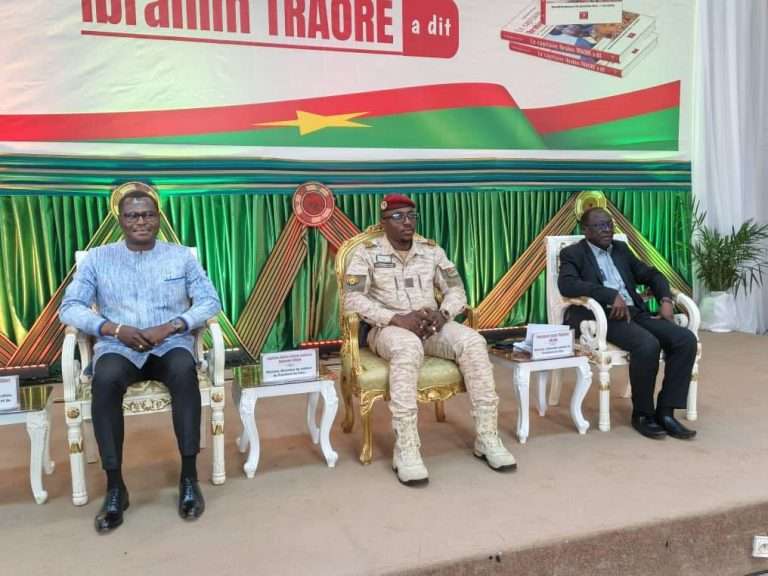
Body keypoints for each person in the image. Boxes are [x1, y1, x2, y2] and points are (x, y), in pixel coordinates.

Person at [59, 183, 222, 533]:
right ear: (120, 219)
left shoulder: (181, 257)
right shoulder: (97, 259)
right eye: (132, 216)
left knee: (184, 371)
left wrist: (174, 325)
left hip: (169, 344)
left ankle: (189, 478)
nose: (141, 221)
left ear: (158, 218)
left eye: (148, 215)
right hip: (118, 347)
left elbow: (210, 301)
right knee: (104, 380)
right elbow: (69, 307)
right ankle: (115, 487)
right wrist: (112, 329)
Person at [343, 194, 517, 486]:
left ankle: (487, 436)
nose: (407, 222)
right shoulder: (366, 252)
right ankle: (406, 447)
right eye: (398, 217)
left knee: (473, 342)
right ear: (383, 222)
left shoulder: (431, 251)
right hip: (388, 329)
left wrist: (443, 313)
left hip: (431, 325)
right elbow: (352, 299)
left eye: (411, 216)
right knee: (408, 346)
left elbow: (456, 290)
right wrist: (395, 318)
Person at [558, 207, 698, 440]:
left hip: (635, 311)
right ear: (586, 230)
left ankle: (666, 412)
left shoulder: (621, 249)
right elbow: (567, 285)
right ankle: (643, 414)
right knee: (647, 344)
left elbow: (652, 275)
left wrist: (665, 300)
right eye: (600, 226)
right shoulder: (573, 253)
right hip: (603, 317)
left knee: (685, 340)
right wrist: (609, 294)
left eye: (609, 224)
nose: (607, 230)